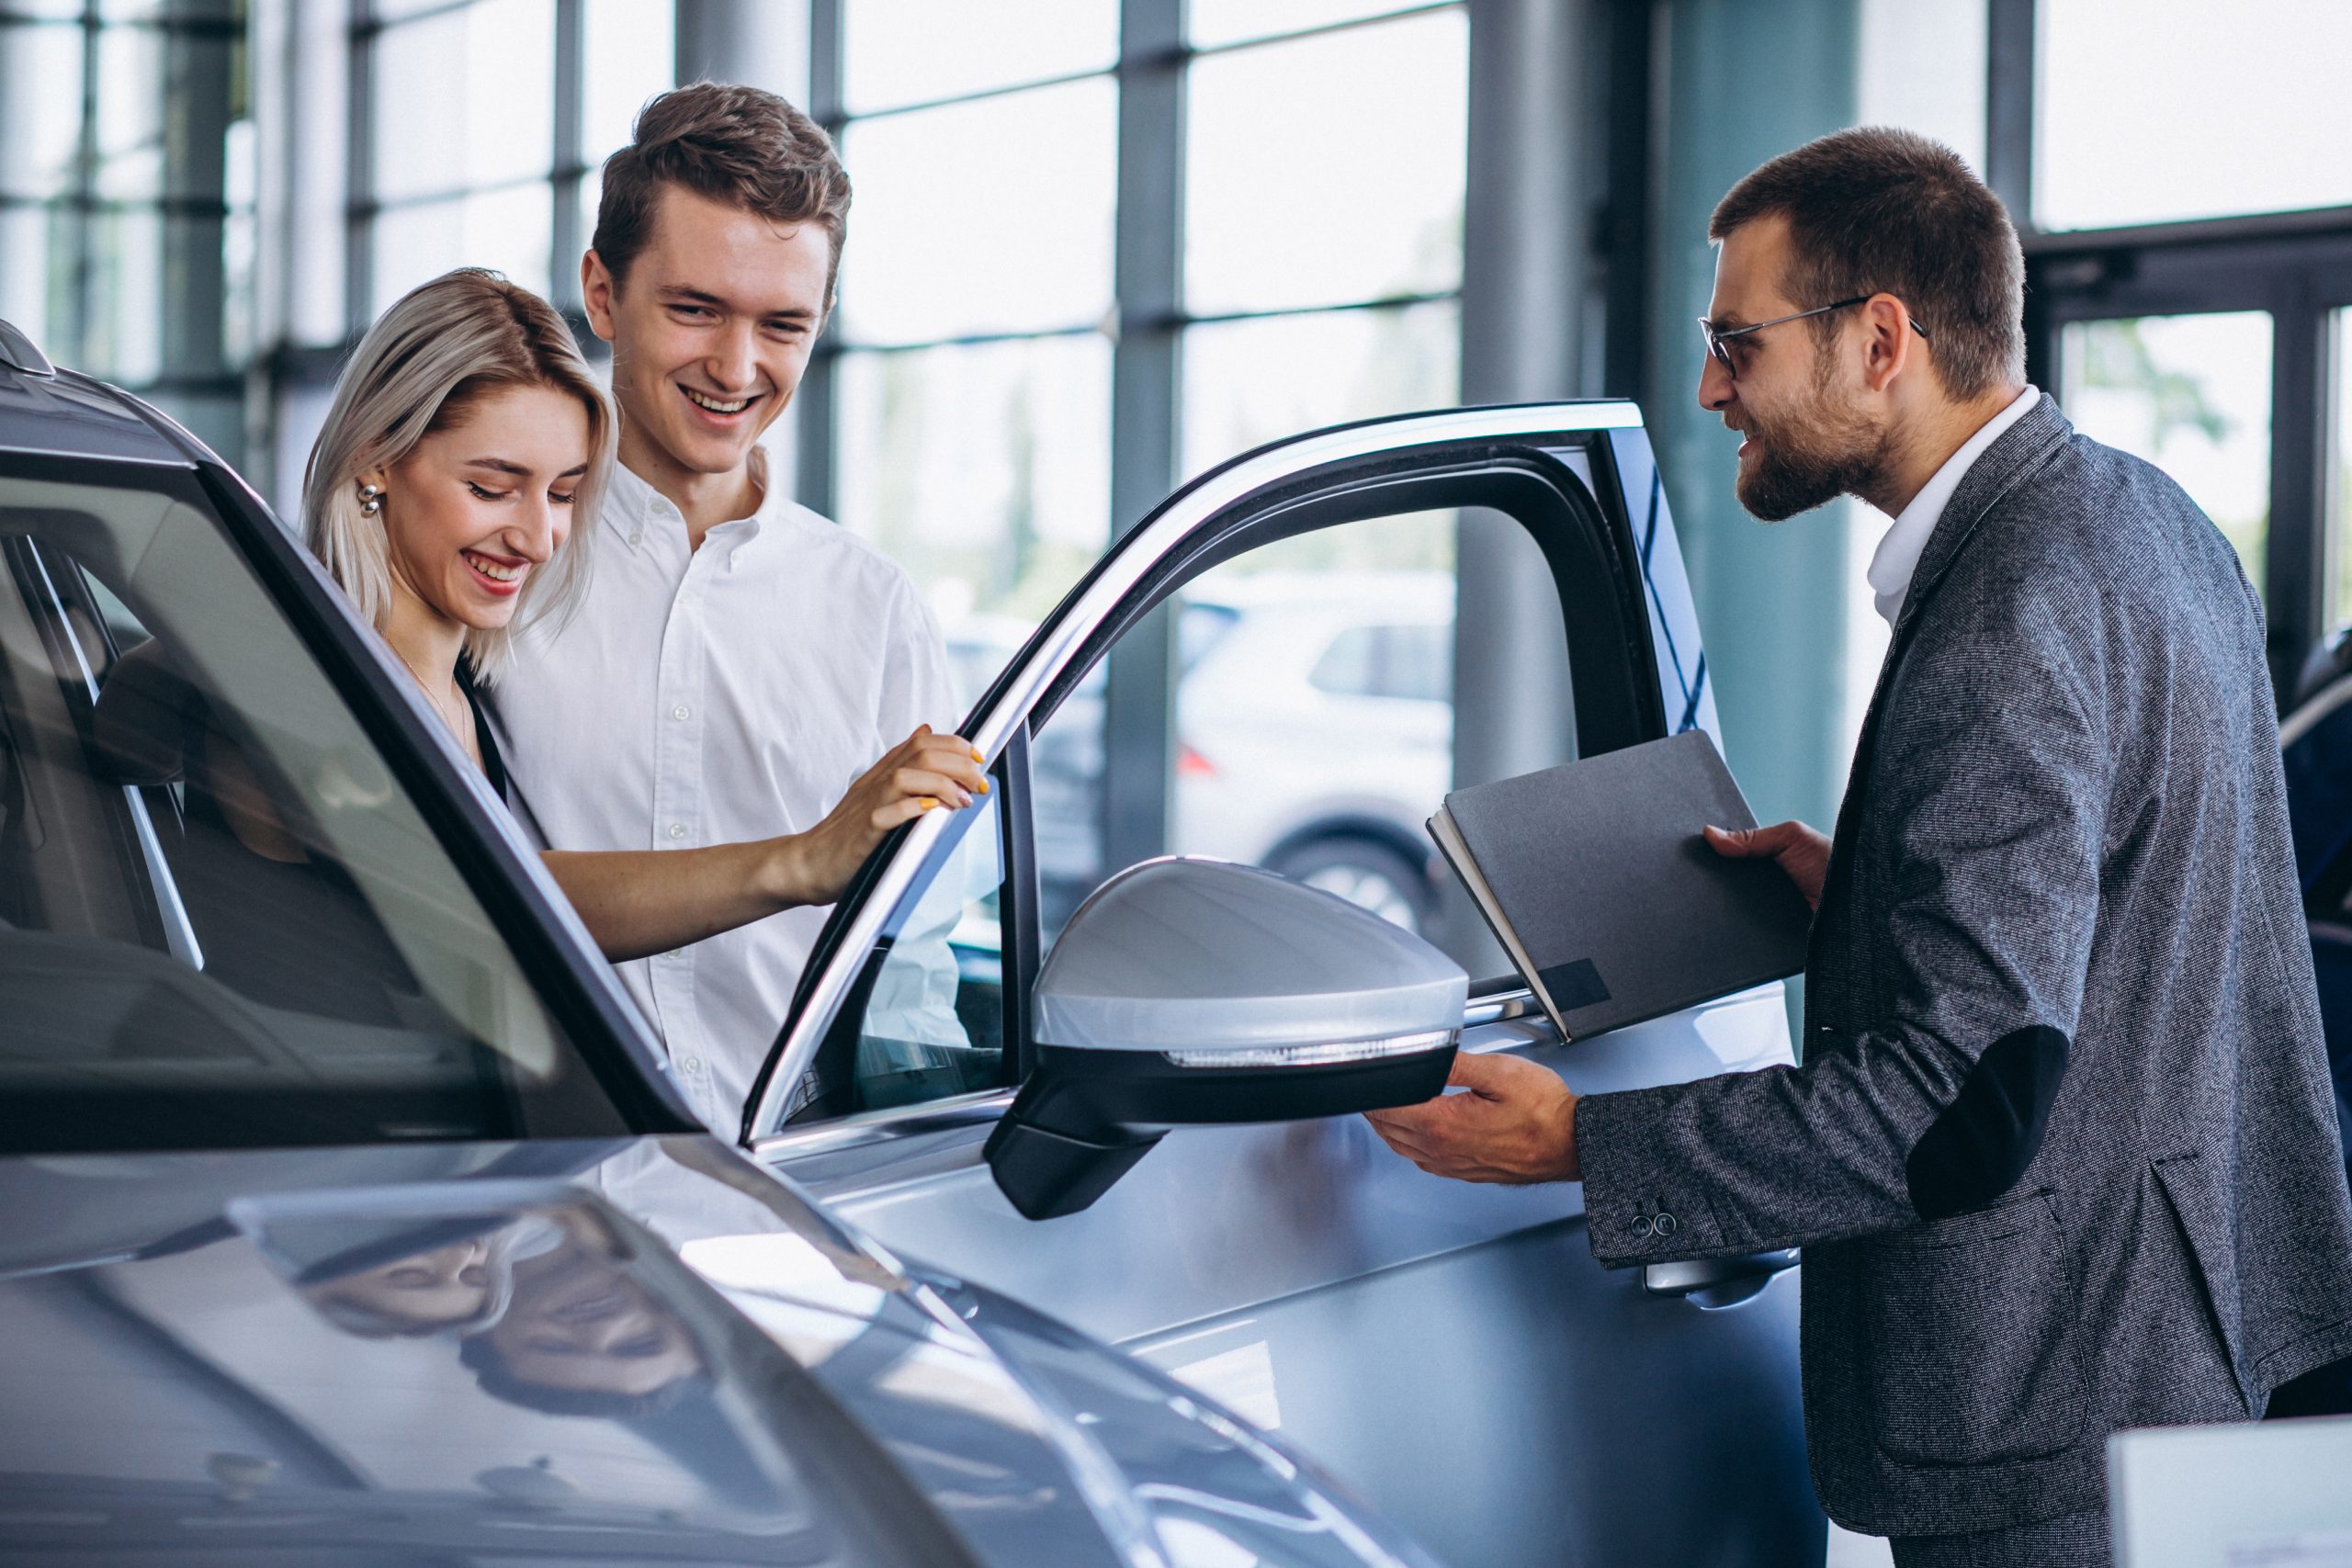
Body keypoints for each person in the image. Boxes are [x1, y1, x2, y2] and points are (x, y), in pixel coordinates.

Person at [1367, 127, 2352, 1565]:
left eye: (1735, 340)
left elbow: (1958, 1105)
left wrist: (1578, 1140)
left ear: (1881, 337)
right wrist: (1872, 895)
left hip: (2053, 1408)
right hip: (2188, 1356)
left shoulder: (2012, 610)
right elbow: (2159, 907)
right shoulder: (2143, 519)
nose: (1711, 386)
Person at [489, 85, 971, 1133]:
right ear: (603, 297)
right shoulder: (500, 562)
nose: (736, 368)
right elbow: (448, 888)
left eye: (781, 324)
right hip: (534, 1196)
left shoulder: (876, 612)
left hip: (795, 1197)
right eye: (696, 309)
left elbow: (913, 970)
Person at [300, 268, 985, 977]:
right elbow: (487, 894)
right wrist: (801, 860)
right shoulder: (311, 691)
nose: (538, 540)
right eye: (492, 488)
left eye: (563, 494)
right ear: (374, 460)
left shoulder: (464, 692)